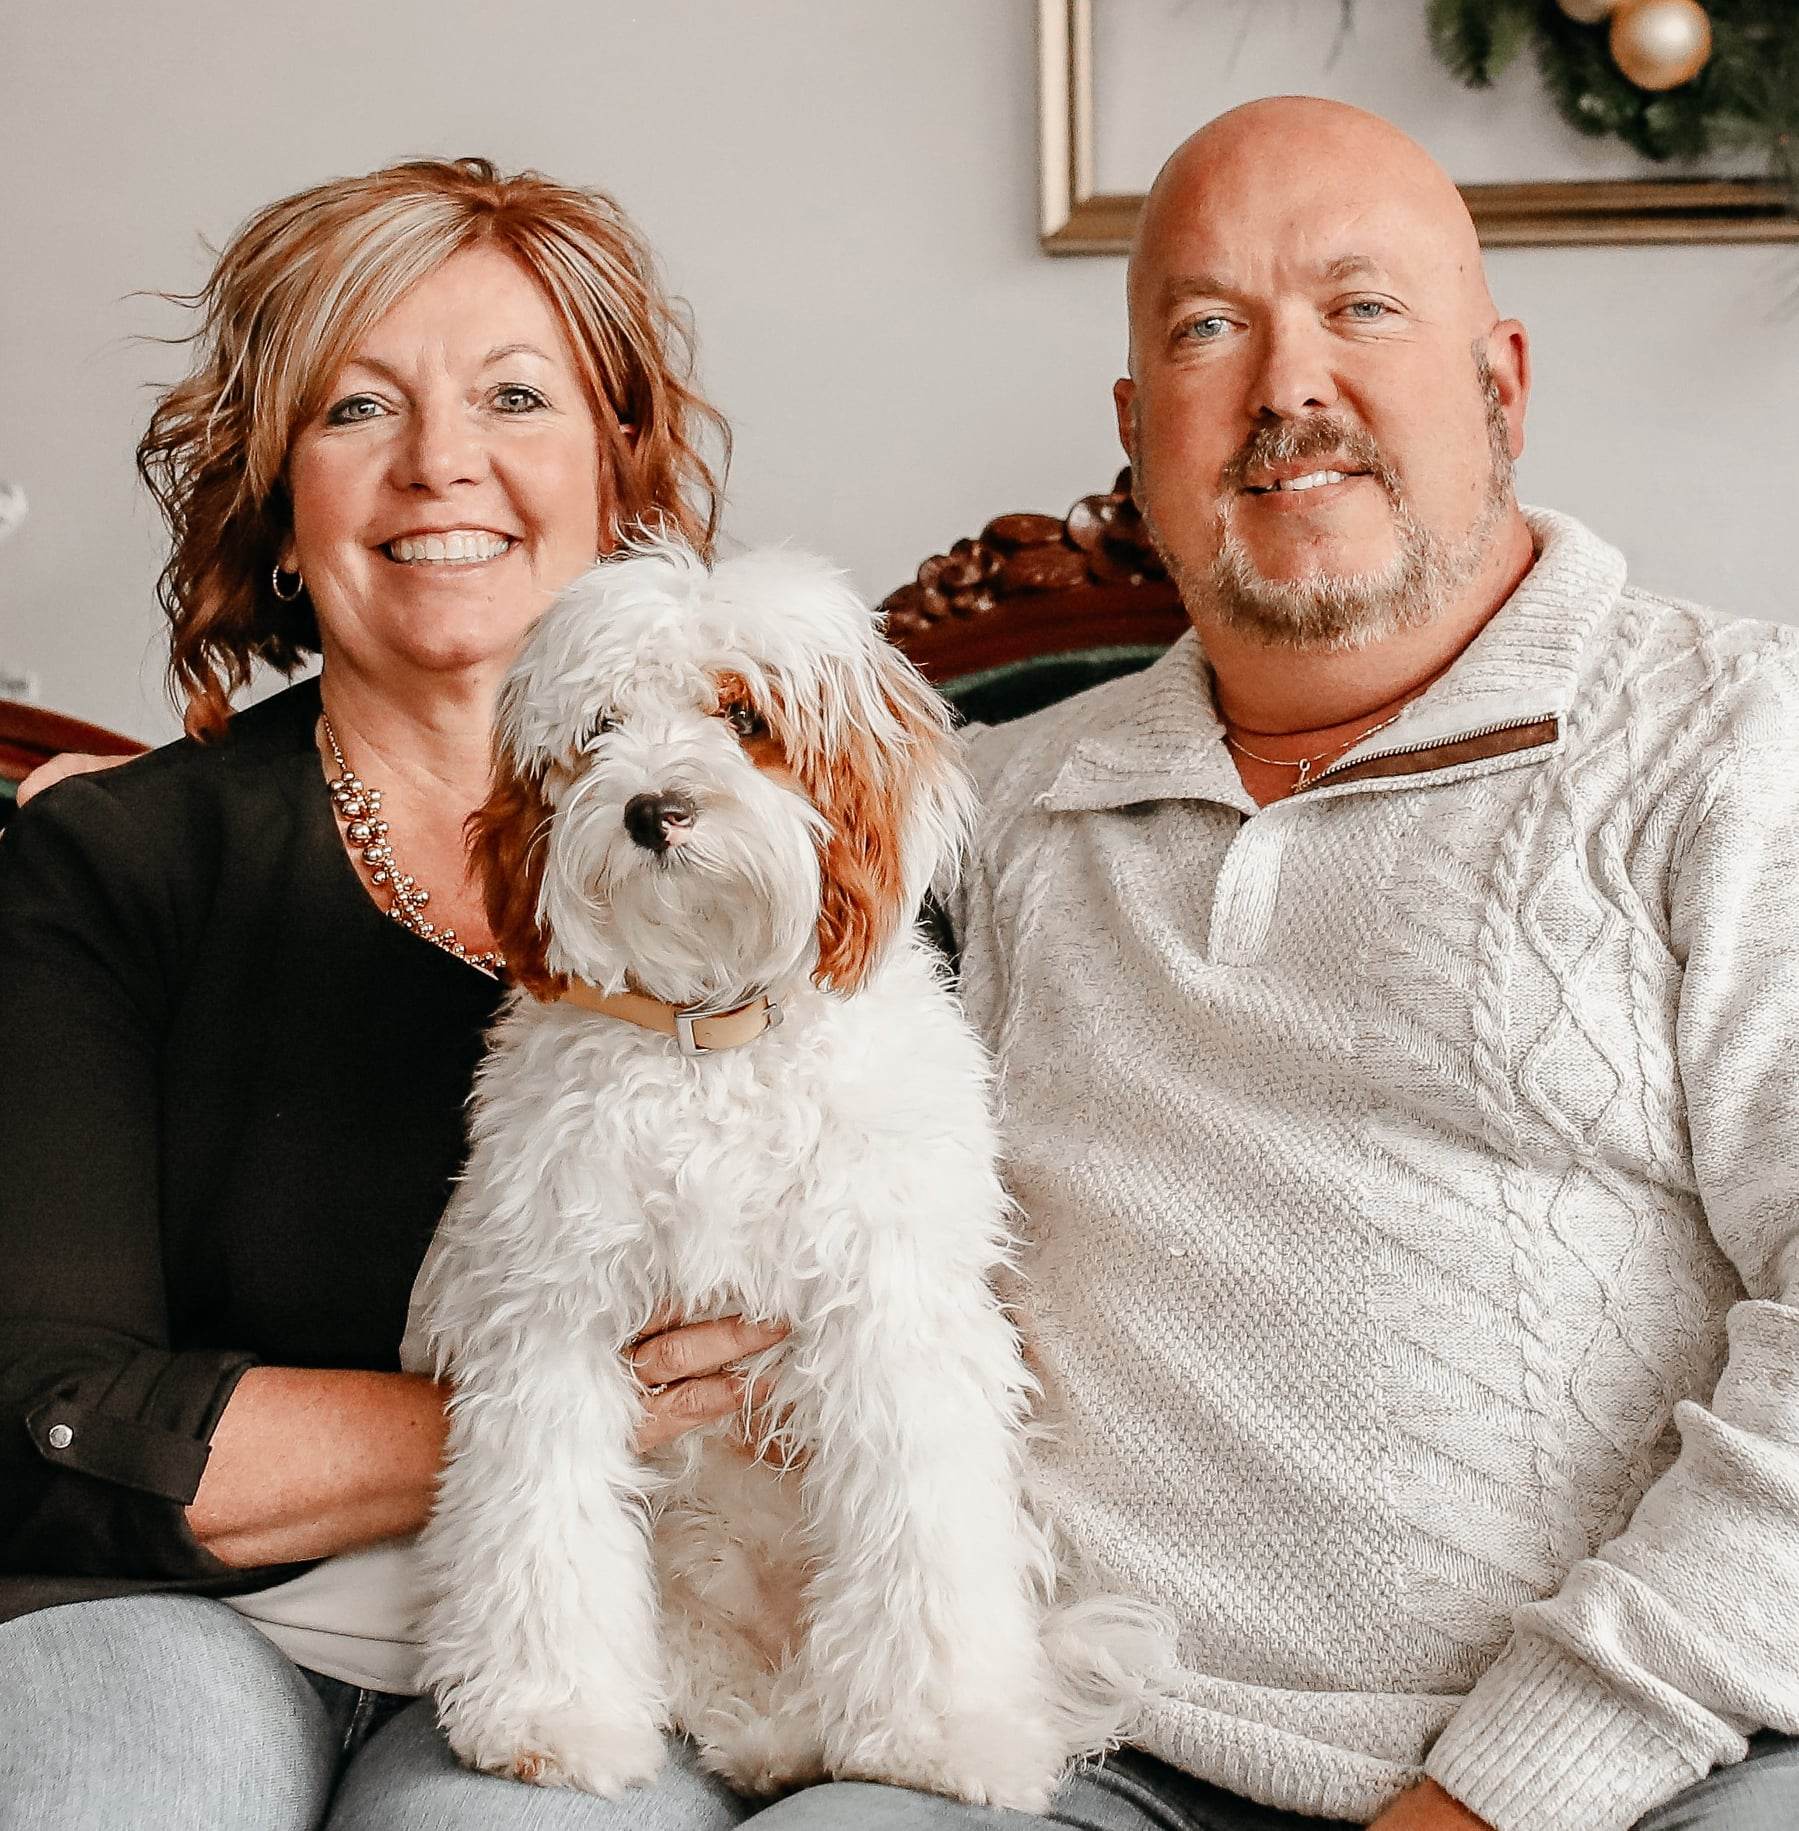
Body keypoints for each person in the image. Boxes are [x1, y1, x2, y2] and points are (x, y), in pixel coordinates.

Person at [940, 96, 1799, 1831]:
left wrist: (1506, 1789)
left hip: (1652, 1761)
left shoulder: (1735, 748)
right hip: (1082, 1755)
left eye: (1362, 308)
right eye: (1208, 327)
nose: (1284, 387)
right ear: (1136, 431)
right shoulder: (994, 808)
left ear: (1503, 382)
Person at [0, 156, 789, 1830]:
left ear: (619, 471)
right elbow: (45, 1419)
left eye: (516, 396)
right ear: (278, 497)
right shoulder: (112, 869)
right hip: (182, 1620)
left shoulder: (790, 850)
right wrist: (574, 1403)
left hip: (627, 1628)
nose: (444, 464)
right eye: (358, 407)